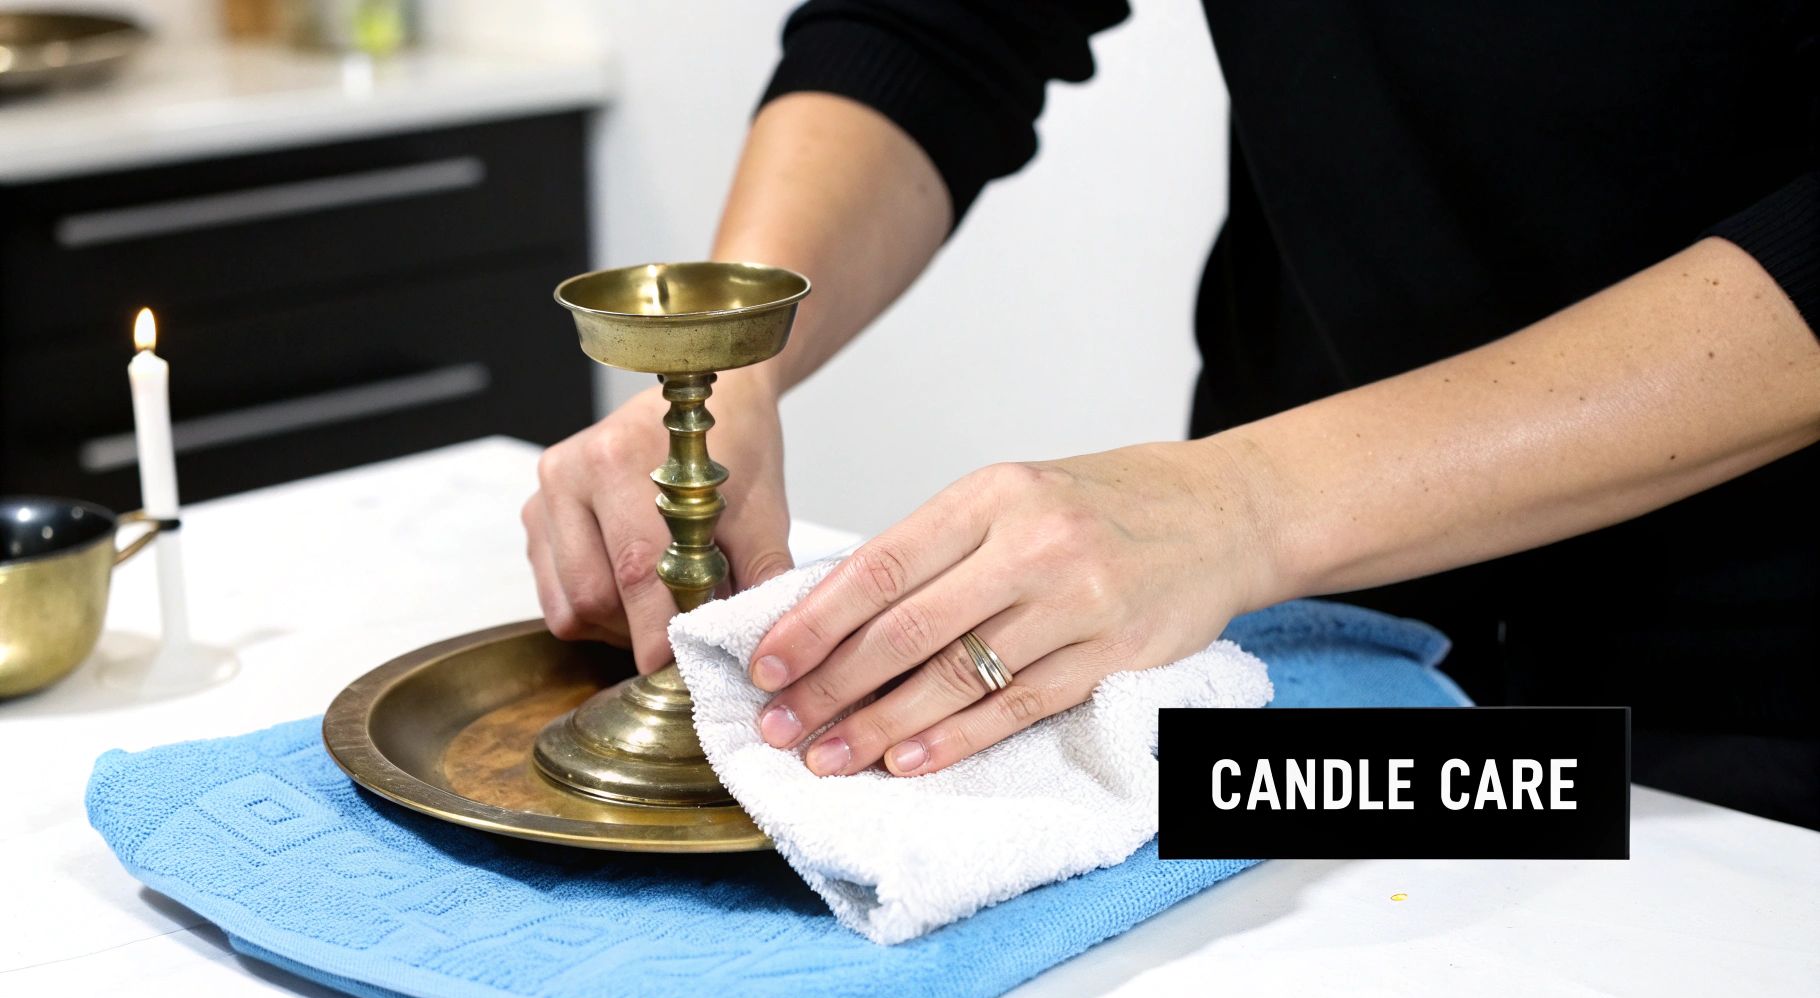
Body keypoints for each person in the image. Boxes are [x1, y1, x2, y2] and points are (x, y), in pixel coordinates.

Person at [523, 2, 1820, 828]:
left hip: (1759, 705)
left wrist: (1249, 506)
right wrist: (737, 361)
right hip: (1326, 666)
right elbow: (938, 26)